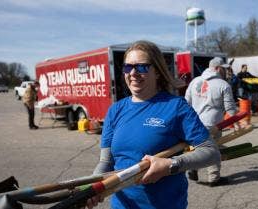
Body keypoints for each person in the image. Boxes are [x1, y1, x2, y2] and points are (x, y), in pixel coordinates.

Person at [87, 40, 220, 209]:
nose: (133, 73)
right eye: (128, 67)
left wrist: (170, 165)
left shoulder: (176, 106)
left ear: (157, 72)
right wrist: (93, 187)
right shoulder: (115, 110)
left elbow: (211, 152)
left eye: (141, 67)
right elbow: (106, 162)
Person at [185, 57, 238, 187]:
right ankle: (214, 178)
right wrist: (236, 123)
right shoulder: (223, 85)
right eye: (224, 69)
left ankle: (193, 168)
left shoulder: (195, 81)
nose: (226, 71)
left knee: (197, 147)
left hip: (194, 123)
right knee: (213, 150)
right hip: (213, 124)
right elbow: (230, 108)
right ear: (218, 68)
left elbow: (186, 103)